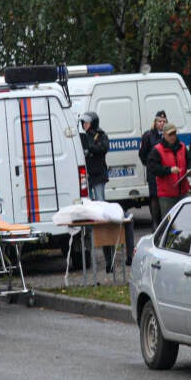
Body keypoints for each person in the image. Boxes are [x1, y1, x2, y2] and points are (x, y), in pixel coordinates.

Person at [79, 112, 114, 270]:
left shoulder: (101, 135)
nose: (84, 125)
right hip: (88, 176)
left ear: (93, 122)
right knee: (89, 205)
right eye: (83, 123)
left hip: (98, 174)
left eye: (86, 122)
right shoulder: (82, 136)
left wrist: (91, 148)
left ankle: (103, 227)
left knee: (101, 203)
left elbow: (103, 148)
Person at [148, 123, 189, 219]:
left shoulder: (182, 146)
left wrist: (190, 170)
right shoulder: (157, 150)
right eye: (170, 134)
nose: (173, 136)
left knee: (185, 220)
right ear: (164, 135)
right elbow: (152, 168)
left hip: (183, 192)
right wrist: (169, 170)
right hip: (167, 195)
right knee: (169, 222)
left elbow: (190, 160)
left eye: (174, 134)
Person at [138, 110, 167, 230]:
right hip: (153, 172)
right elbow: (142, 154)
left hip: (165, 171)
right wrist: (150, 165)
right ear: (155, 122)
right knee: (154, 197)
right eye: (159, 121)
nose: (161, 124)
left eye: (163, 121)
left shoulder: (168, 134)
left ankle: (165, 224)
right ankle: (155, 223)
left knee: (164, 197)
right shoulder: (148, 136)